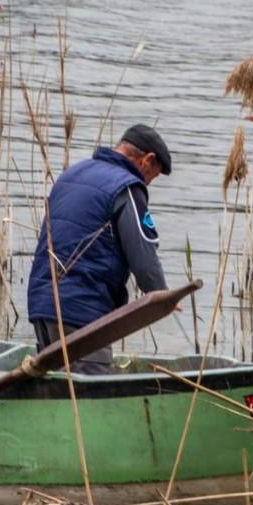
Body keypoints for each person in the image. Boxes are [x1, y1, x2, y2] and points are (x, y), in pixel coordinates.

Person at [26, 124, 173, 374]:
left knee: (59, 393)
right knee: (91, 395)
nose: (148, 183)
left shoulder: (72, 174)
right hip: (83, 312)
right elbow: (143, 254)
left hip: (41, 303)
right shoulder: (127, 187)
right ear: (147, 160)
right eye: (153, 176)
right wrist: (161, 297)